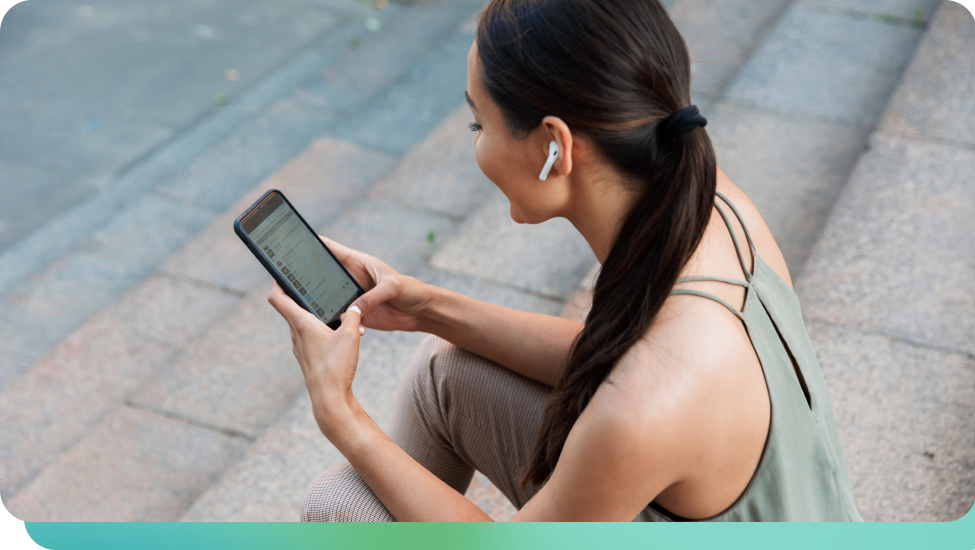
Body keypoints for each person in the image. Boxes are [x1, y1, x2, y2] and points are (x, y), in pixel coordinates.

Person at [267, 0, 863, 522]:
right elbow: (615, 354)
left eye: (481, 122)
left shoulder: (649, 403)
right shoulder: (711, 198)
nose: (476, 142)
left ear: (555, 145)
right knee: (444, 370)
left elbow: (639, 388)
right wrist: (426, 307)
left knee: (339, 509)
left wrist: (338, 411)